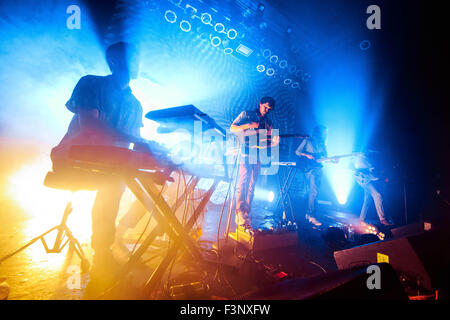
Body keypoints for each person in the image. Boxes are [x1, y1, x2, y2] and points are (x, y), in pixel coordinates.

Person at [51, 41, 147, 272]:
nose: (138, 63)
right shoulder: (91, 83)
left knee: (152, 194)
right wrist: (142, 144)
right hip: (74, 158)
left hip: (110, 164)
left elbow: (135, 139)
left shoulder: (135, 104)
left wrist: (158, 152)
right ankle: (102, 252)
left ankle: (116, 238)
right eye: (133, 57)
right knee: (112, 182)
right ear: (114, 61)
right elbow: (91, 125)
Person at [230, 96, 280, 230]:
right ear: (260, 104)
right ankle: (239, 211)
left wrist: (274, 142)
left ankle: (245, 214)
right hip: (245, 151)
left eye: (269, 109)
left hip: (258, 155)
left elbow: (267, 143)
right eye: (265, 107)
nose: (266, 111)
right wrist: (250, 125)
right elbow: (233, 128)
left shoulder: (268, 122)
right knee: (244, 179)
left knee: (252, 184)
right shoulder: (247, 114)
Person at [295, 125, 335, 226]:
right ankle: (311, 215)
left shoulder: (322, 144)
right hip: (310, 169)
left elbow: (325, 157)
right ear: (318, 132)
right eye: (324, 132)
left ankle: (310, 214)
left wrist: (332, 160)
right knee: (314, 191)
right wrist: (306, 155)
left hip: (319, 169)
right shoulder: (308, 140)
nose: (325, 134)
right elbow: (297, 151)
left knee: (315, 192)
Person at [352, 153, 394, 226]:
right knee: (377, 195)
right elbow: (371, 174)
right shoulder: (363, 158)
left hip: (364, 178)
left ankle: (361, 218)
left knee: (367, 199)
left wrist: (379, 176)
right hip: (362, 178)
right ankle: (382, 219)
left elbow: (373, 175)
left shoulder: (367, 160)